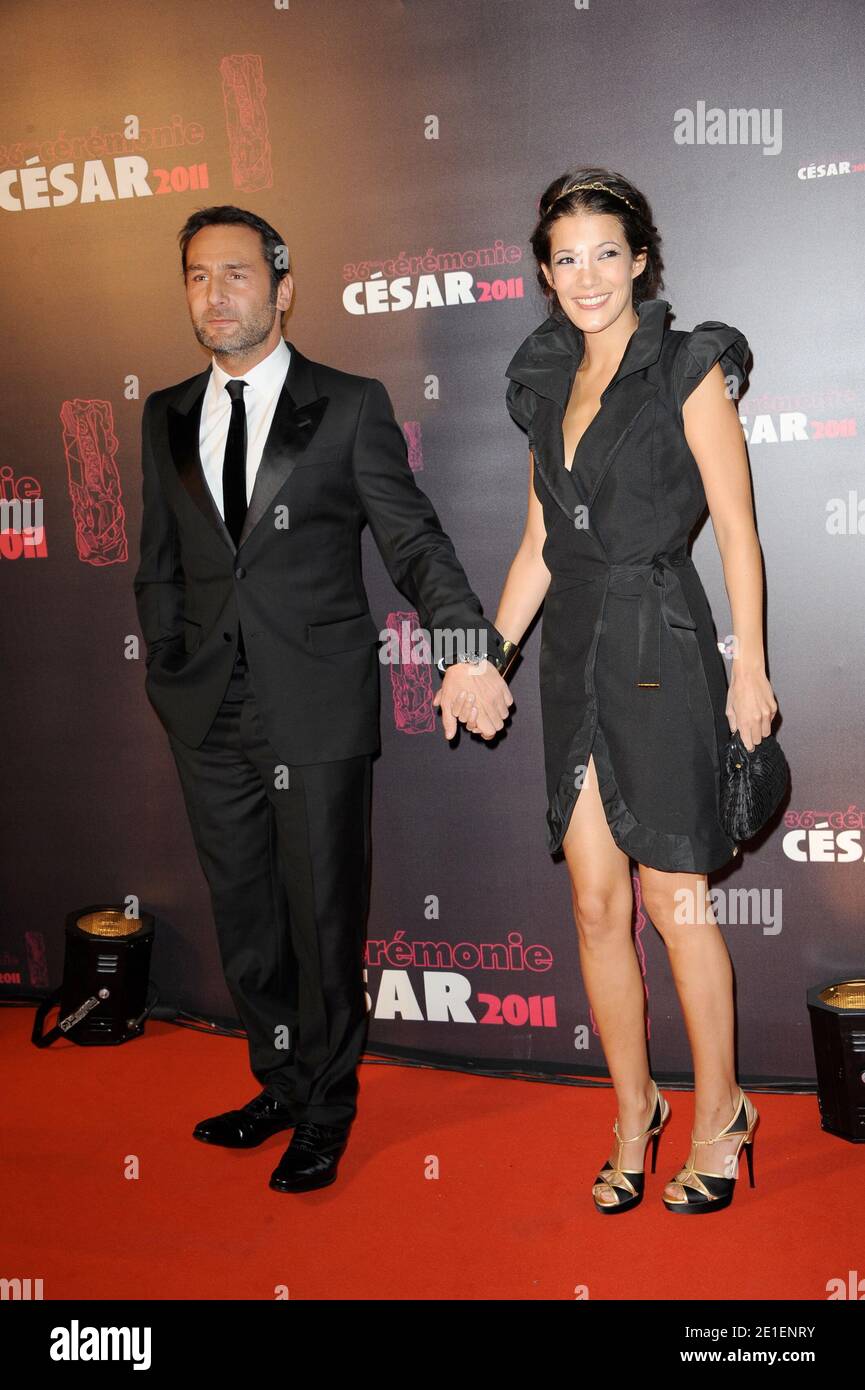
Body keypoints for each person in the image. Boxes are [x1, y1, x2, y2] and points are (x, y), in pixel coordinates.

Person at [133, 204, 513, 1193]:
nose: (215, 293)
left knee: (322, 918)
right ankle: (280, 1079)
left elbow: (415, 544)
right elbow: (159, 566)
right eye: (196, 276)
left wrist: (466, 650)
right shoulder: (164, 413)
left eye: (237, 274)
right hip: (207, 710)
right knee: (247, 917)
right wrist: (168, 669)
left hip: (314, 710)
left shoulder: (345, 406)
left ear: (283, 287)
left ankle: (328, 1110)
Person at [480, 168, 778, 1214]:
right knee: (597, 902)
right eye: (565, 257)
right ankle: (632, 1109)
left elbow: (737, 529)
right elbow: (534, 550)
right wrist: (486, 654)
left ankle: (719, 1113)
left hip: (665, 639)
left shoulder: (686, 365)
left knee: (674, 898)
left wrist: (748, 662)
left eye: (606, 251)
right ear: (545, 273)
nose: (587, 274)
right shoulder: (541, 382)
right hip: (573, 652)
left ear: (641, 258)